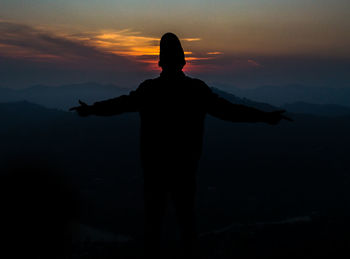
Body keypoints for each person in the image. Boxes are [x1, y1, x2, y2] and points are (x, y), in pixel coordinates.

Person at [70, 32, 291, 258]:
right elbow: (230, 111)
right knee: (186, 223)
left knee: (154, 225)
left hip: (155, 169)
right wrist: (264, 116)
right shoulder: (195, 90)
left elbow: (120, 104)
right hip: (185, 169)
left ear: (160, 61)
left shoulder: (150, 90)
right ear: (183, 60)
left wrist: (91, 109)